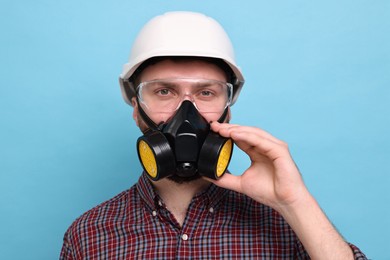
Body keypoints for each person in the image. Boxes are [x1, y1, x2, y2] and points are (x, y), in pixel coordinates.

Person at [60, 11, 367, 259]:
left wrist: (295, 202)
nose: (186, 110)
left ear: (228, 110)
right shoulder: (89, 234)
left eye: (206, 92)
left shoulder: (290, 224)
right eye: (164, 91)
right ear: (136, 108)